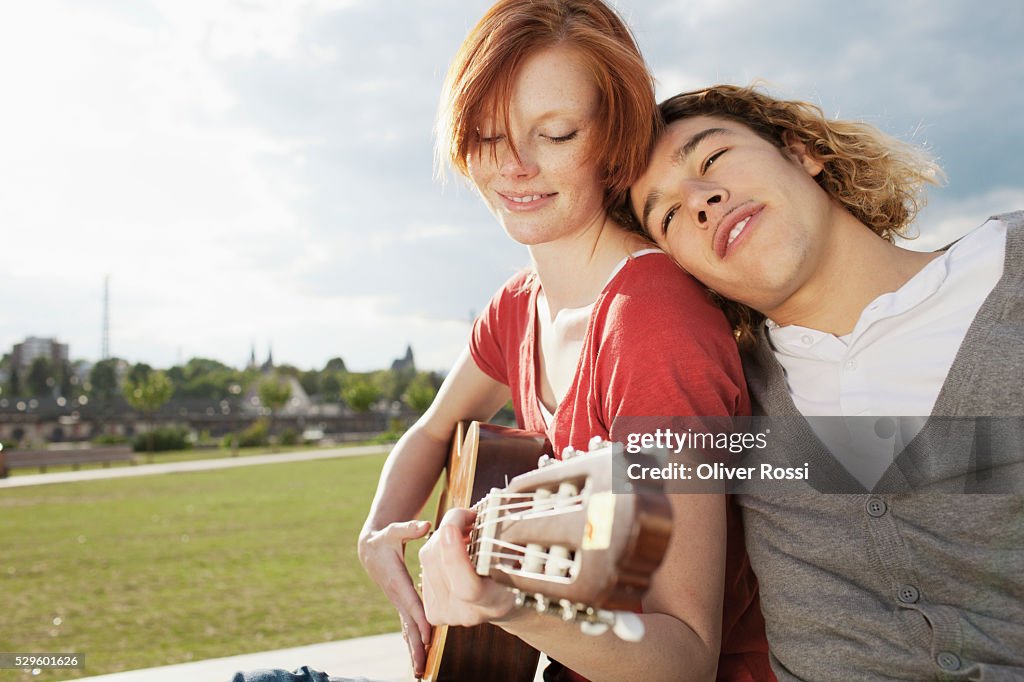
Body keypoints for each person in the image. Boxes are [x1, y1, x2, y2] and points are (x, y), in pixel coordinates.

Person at [627, 84, 1024, 680]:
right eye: (669, 216)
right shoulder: (733, 413)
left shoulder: (1009, 266)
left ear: (801, 150)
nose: (700, 200)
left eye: (711, 159)